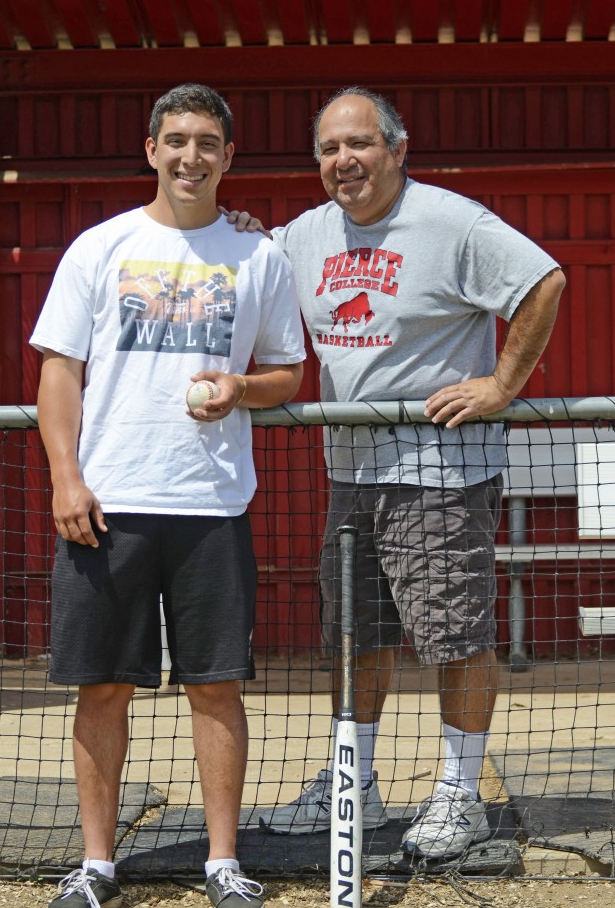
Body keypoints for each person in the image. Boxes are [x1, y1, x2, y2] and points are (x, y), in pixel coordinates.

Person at [226, 86, 565, 860]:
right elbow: (249, 262)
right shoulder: (306, 235)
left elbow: (542, 281)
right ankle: (354, 782)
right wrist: (239, 232)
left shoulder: (451, 222)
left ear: (396, 149)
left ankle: (458, 794)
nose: (343, 161)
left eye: (359, 144)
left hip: (440, 468)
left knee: (452, 636)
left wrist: (502, 385)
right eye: (328, 150)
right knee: (355, 635)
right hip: (351, 472)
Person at [30, 83, 305, 908]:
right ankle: (95, 864)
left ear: (229, 157)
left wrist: (240, 386)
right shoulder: (98, 248)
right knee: (103, 689)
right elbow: (58, 372)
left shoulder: (259, 258)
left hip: (211, 504)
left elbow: (287, 375)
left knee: (215, 687)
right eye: (176, 140)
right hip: (107, 504)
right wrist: (65, 477)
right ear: (151, 149)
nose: (191, 156)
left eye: (208, 143)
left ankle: (224, 864)